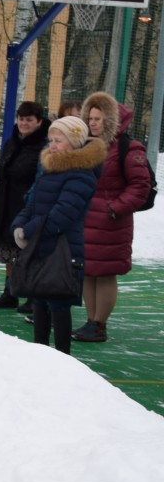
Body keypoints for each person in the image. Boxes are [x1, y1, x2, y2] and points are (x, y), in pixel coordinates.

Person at [10, 116, 104, 353]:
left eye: (58, 140)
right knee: (39, 300)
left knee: (59, 303)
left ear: (74, 142)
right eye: (50, 140)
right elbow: (32, 204)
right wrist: (19, 225)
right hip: (42, 245)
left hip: (63, 248)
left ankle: (63, 356)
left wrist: (30, 231)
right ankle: (40, 353)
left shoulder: (81, 175)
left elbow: (62, 214)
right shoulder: (50, 170)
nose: (52, 145)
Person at [73, 90, 153, 342]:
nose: (92, 123)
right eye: (90, 118)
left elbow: (140, 185)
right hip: (86, 220)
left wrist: (114, 208)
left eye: (97, 119)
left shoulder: (129, 148)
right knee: (88, 272)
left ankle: (100, 324)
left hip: (111, 223)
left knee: (106, 273)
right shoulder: (87, 145)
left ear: (110, 120)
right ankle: (90, 320)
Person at [0, 101, 49, 309]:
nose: (24, 123)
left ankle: (32, 296)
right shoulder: (12, 142)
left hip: (27, 205)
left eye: (29, 119)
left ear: (39, 121)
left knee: (28, 252)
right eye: (21, 119)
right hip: (5, 203)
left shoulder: (44, 146)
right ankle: (10, 292)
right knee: (10, 252)